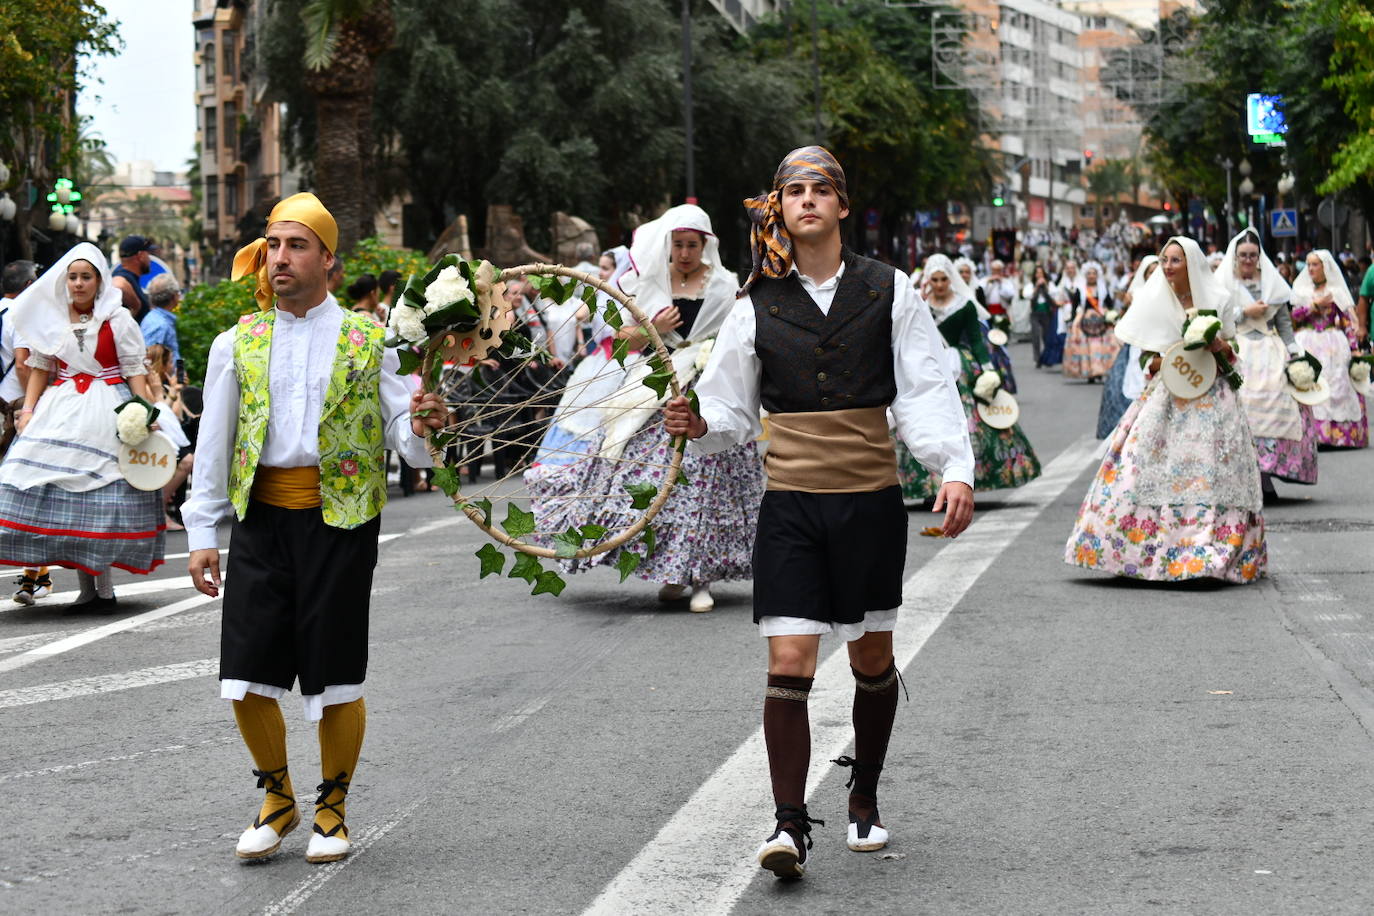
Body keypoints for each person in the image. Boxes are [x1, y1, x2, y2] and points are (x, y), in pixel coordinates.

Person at [662, 146, 975, 879]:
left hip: (868, 501)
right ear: (781, 208)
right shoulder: (753, 305)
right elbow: (731, 406)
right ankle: (790, 824)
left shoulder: (889, 291)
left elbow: (925, 389)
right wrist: (698, 422)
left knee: (870, 657)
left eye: (820, 189)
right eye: (793, 190)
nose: (806, 199)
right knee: (790, 658)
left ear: (840, 206)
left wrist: (953, 468)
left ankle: (863, 792)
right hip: (791, 503)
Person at [181, 193, 446, 863]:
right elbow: (214, 442)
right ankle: (277, 799)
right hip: (260, 521)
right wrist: (202, 533)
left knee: (335, 674)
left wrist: (424, 425)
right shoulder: (235, 341)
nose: (279, 259)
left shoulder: (368, 338)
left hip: (341, 520)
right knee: (242, 671)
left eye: (296, 246)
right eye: (272, 246)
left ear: (328, 259)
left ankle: (333, 807)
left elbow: (405, 438)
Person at [554, 205, 762, 613]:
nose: (685, 253)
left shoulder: (724, 285)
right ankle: (672, 571)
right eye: (678, 245)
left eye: (692, 245)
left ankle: (701, 577)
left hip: (706, 390)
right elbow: (625, 340)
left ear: (706, 245)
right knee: (651, 480)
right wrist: (657, 329)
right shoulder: (648, 282)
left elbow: (736, 337)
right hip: (655, 386)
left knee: (707, 482)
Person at [1066, 236, 1265, 583]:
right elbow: (1144, 356)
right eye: (1165, 260)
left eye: (1175, 260)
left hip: (1212, 397)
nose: (1168, 267)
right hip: (1167, 396)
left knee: (1211, 472)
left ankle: (1206, 551)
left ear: (1191, 263)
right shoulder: (1153, 299)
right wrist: (1167, 359)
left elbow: (1232, 350)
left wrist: (1216, 344)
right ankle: (1137, 550)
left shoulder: (1219, 299)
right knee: (1143, 467)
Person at [0, 243, 167, 610]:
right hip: (60, 408)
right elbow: (41, 369)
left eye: (86, 277)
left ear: (99, 280)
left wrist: (145, 412)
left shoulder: (117, 318)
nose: (78, 284)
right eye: (73, 277)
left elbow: (134, 369)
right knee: (67, 500)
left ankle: (103, 591)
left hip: (107, 406)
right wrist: (27, 411)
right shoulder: (53, 320)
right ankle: (88, 590)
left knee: (101, 501)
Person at [896, 254, 1040, 503]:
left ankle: (968, 480)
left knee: (968, 422)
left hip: (959, 366)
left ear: (950, 279)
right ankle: (931, 486)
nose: (940, 284)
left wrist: (988, 369)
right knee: (925, 419)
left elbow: (975, 340)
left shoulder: (965, 305)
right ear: (929, 280)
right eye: (935, 279)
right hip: (929, 366)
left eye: (943, 279)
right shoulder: (920, 304)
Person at [1217, 229, 1316, 497]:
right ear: (1235, 257)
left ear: (1259, 257)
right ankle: (1245, 478)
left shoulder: (1272, 283)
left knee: (1278, 397)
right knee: (1242, 404)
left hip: (1270, 349)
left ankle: (1267, 474)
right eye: (1243, 256)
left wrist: (1295, 353)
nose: (1247, 260)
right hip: (1239, 348)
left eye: (1252, 255)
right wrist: (1245, 312)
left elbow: (1284, 323)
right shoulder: (1225, 283)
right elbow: (1219, 319)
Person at [1, 260, 55, 605]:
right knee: (32, 491)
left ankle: (38, 575)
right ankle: (31, 576)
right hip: (15, 410)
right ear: (30, 283)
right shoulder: (24, 312)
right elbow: (24, 363)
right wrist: (32, 408)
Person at [1291, 249, 1367, 449]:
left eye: (1315, 265)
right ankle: (1313, 435)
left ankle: (1340, 435)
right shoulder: (1301, 291)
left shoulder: (1337, 292)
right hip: (1308, 342)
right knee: (1310, 384)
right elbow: (1294, 318)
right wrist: (1314, 306)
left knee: (1337, 384)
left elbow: (1347, 323)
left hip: (1333, 344)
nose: (1311, 269)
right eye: (1308, 265)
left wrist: (1355, 349)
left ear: (1325, 267)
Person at [1095, 255, 1157, 439]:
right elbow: (1125, 318)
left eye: (1157, 271)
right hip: (1137, 345)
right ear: (1144, 274)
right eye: (1151, 272)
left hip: (1157, 342)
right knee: (1126, 385)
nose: (1154, 275)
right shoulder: (1134, 294)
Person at [1062, 261, 1118, 382]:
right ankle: (1089, 372)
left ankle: (1099, 371)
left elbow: (1110, 304)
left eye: (1094, 273)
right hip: (1084, 322)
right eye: (1089, 273)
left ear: (1097, 275)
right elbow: (1074, 306)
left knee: (1100, 347)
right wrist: (1072, 321)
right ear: (1085, 275)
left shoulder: (1103, 289)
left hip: (1101, 321)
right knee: (1087, 348)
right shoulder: (1081, 290)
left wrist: (1111, 316)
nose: (1091, 276)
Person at [140, 273, 182, 367]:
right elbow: (150, 362)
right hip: (164, 381)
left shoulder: (156, 319)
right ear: (173, 296)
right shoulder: (159, 324)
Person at [112, 235, 154, 322]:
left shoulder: (131, 278)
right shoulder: (123, 275)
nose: (149, 259)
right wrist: (136, 305)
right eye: (148, 254)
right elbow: (118, 284)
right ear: (140, 256)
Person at [1024, 264, 1057, 368]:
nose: (1039, 275)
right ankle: (1037, 358)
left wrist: (1046, 285)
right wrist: (1036, 286)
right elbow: (1027, 295)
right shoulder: (1031, 285)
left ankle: (1047, 357)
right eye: (1037, 273)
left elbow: (1055, 294)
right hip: (1035, 312)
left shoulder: (1050, 284)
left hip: (1047, 312)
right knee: (1036, 335)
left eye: (1041, 273)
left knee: (1047, 336)